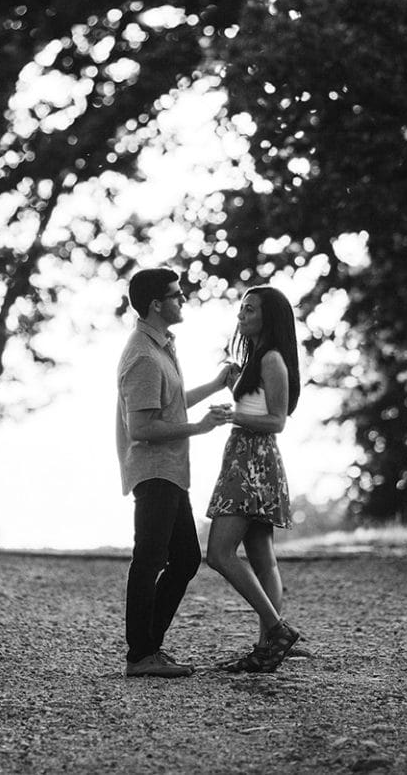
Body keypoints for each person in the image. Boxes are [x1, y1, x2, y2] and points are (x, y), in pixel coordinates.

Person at [117, 267, 232, 679]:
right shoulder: (144, 356)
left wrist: (217, 385)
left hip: (171, 472)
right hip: (154, 471)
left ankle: (149, 648)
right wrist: (200, 428)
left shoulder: (161, 347)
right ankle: (140, 655)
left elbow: (172, 402)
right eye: (177, 295)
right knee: (149, 559)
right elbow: (143, 428)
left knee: (184, 558)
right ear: (156, 304)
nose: (183, 300)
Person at [205, 284, 303, 673]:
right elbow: (260, 405)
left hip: (253, 462)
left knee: (219, 554)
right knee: (263, 558)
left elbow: (277, 420)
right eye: (241, 309)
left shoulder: (273, 359)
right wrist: (235, 388)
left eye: (250, 309)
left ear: (269, 317)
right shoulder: (256, 359)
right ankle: (267, 649)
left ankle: (277, 631)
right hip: (245, 458)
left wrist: (233, 415)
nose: (241, 315)